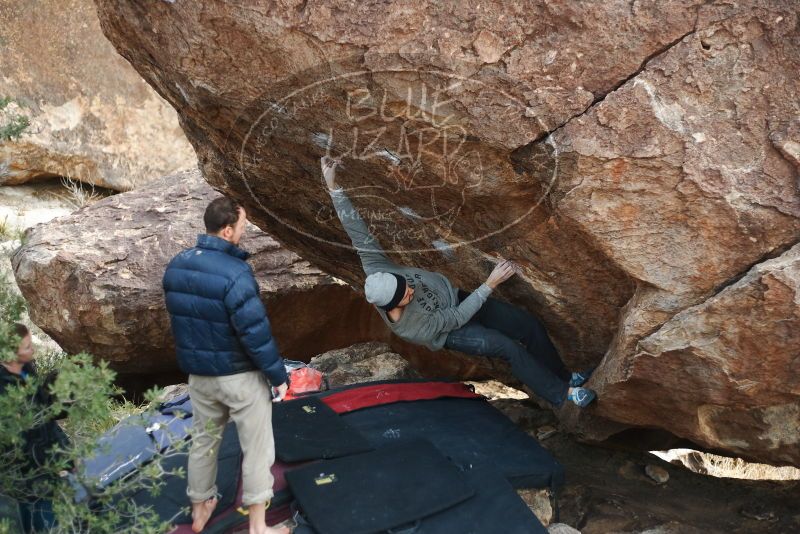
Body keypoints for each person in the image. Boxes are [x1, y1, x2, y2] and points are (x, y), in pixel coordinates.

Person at [320, 156, 596, 408]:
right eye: (407, 294)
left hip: (458, 297)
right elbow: (457, 317)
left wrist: (334, 187)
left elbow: (357, 231)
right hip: (454, 331)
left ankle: (565, 378)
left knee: (528, 326)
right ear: (395, 306)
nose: (411, 289)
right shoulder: (412, 328)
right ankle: (563, 395)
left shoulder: (377, 269)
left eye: (406, 283)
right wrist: (491, 282)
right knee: (506, 346)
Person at [163, 197, 290, 534]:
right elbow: (254, 332)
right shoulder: (236, 273)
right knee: (257, 449)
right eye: (243, 226)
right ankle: (259, 527)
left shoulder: (177, 264)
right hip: (239, 377)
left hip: (199, 377)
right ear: (228, 229)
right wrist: (277, 375)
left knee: (204, 442)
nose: (244, 232)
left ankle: (200, 507)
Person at [0, 323, 68, 533]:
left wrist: (66, 453)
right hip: (24, 471)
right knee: (35, 518)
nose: (33, 350)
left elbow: (46, 418)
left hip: (44, 463)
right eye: (28, 347)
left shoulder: (27, 369)